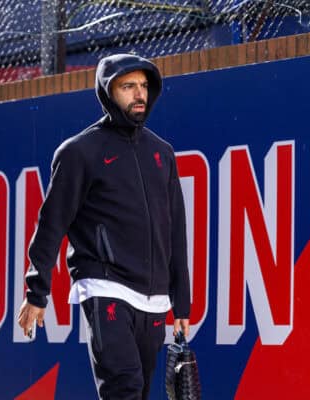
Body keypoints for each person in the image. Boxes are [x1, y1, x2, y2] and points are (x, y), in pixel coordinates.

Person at [17, 53, 191, 400]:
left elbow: (176, 231)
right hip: (104, 286)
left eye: (143, 86)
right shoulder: (79, 152)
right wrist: (37, 290)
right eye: (128, 87)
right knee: (123, 387)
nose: (139, 94)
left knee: (138, 391)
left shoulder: (163, 153)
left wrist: (181, 302)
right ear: (108, 92)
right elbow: (52, 222)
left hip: (154, 299)